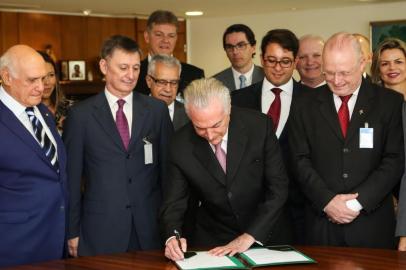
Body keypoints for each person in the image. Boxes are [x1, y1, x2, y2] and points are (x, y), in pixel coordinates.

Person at [289, 32, 404, 248]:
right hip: (321, 225)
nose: (337, 81)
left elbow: (394, 159)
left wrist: (356, 203)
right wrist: (328, 202)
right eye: (329, 73)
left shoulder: (390, 103)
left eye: (344, 73)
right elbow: (298, 160)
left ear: (362, 64)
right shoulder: (303, 105)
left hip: (372, 225)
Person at [64, 35, 173, 257]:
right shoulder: (80, 115)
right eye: (123, 67)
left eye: (136, 68)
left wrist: (172, 228)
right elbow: (72, 179)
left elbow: (168, 173)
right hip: (100, 230)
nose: (131, 75)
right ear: (104, 66)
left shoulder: (156, 111)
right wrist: (71, 230)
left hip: (149, 228)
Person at [160, 78, 289, 261]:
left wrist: (250, 235)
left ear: (229, 111)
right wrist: (172, 237)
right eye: (200, 128)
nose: (210, 136)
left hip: (265, 233)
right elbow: (174, 202)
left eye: (216, 125)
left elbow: (278, 188)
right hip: (214, 240)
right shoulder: (179, 144)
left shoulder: (259, 126)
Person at [232, 29, 305, 243]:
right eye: (272, 60)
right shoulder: (238, 100)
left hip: (298, 210)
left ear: (296, 61)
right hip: (248, 210)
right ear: (262, 59)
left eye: (285, 61)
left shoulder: (312, 102)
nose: (278, 68)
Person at [0, 45, 67, 267]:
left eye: (44, 78)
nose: (42, 87)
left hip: (55, 239)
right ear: (6, 77)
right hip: (13, 245)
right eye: (32, 80)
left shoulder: (43, 112)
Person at [370, 38, 406, 251]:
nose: (392, 68)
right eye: (385, 63)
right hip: (379, 195)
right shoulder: (370, 102)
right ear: (377, 68)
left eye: (398, 61)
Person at [134, 10, 204, 97]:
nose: (165, 40)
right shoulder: (133, 73)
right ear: (147, 37)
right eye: (159, 35)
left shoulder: (194, 75)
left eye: (171, 36)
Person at [213, 24, 264, 91]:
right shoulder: (214, 83)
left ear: (253, 47)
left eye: (241, 45)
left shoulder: (267, 77)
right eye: (229, 47)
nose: (235, 52)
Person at [147, 54, 189, 130]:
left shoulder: (189, 114)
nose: (168, 89)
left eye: (174, 82)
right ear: (149, 81)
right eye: (162, 82)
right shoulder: (134, 111)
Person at [38, 51, 69, 132]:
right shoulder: (27, 113)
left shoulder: (70, 109)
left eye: (51, 75)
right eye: (41, 77)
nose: (47, 82)